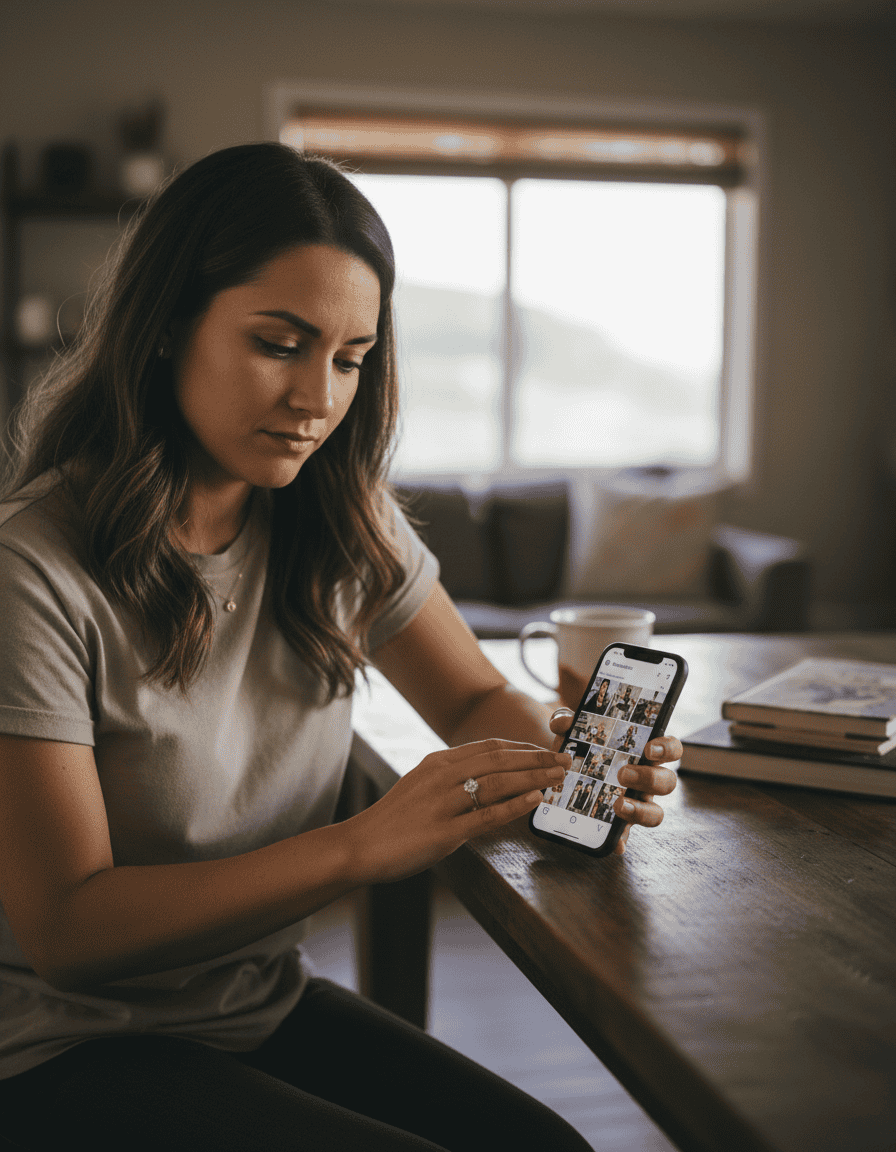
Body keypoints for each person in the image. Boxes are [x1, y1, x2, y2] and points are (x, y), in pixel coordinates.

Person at [0, 142, 681, 1152]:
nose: (316, 397)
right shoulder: (31, 569)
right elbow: (70, 934)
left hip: (250, 1003)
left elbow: (469, 700)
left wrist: (565, 763)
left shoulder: (336, 527)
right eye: (278, 343)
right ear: (164, 328)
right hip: (58, 1048)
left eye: (350, 358)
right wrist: (365, 844)